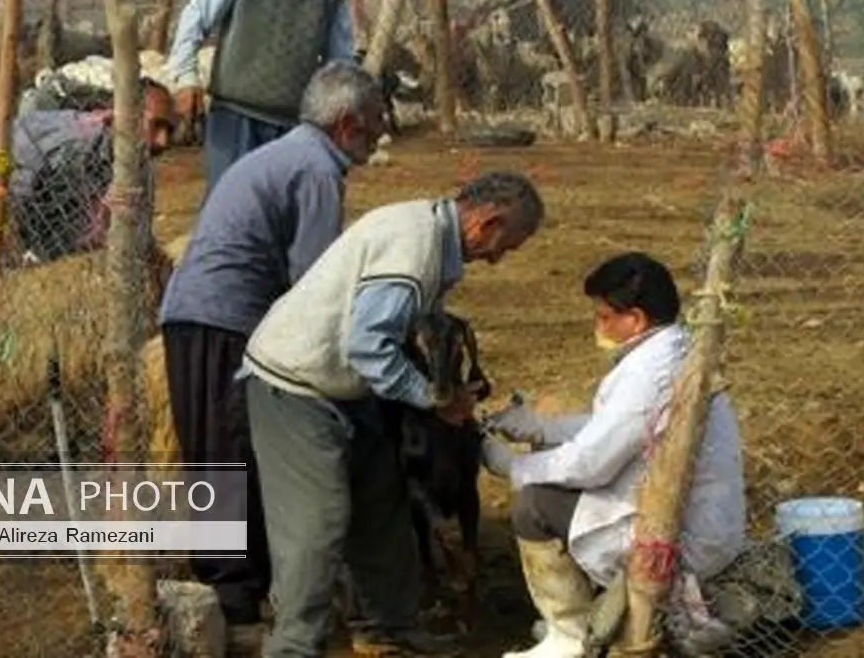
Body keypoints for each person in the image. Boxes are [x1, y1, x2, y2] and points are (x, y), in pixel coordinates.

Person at [241, 171, 546, 656]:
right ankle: (294, 647)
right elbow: (368, 347)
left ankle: (387, 626)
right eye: (506, 244)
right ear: (488, 221)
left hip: (343, 387)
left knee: (382, 503)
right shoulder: (416, 248)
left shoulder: (429, 234)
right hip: (295, 385)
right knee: (316, 526)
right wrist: (435, 399)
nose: (498, 258)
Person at [158, 60, 386, 655]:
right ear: (347, 123)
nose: (382, 132)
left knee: (224, 449)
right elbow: (316, 281)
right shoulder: (316, 171)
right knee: (230, 450)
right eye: (376, 121)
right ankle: (233, 599)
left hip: (205, 312)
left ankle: (241, 585)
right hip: (223, 318)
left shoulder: (290, 155)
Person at [480, 252, 748, 658]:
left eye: (604, 316)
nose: (598, 325)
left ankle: (567, 634)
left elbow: (591, 463)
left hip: (681, 534)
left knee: (534, 504)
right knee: (553, 470)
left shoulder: (648, 372)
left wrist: (512, 466)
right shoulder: (673, 348)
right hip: (701, 514)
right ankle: (594, 617)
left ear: (635, 319)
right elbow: (617, 426)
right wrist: (540, 428)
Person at [0, 78, 173, 287]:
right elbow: (7, 196)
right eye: (156, 125)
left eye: (170, 129)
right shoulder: (72, 145)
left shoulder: (128, 163)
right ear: (124, 113)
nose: (165, 141)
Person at [167, 0, 354, 202]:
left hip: (295, 126)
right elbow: (196, 17)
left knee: (280, 217)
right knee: (229, 208)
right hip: (235, 119)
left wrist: (339, 114)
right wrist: (185, 77)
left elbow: (340, 61)